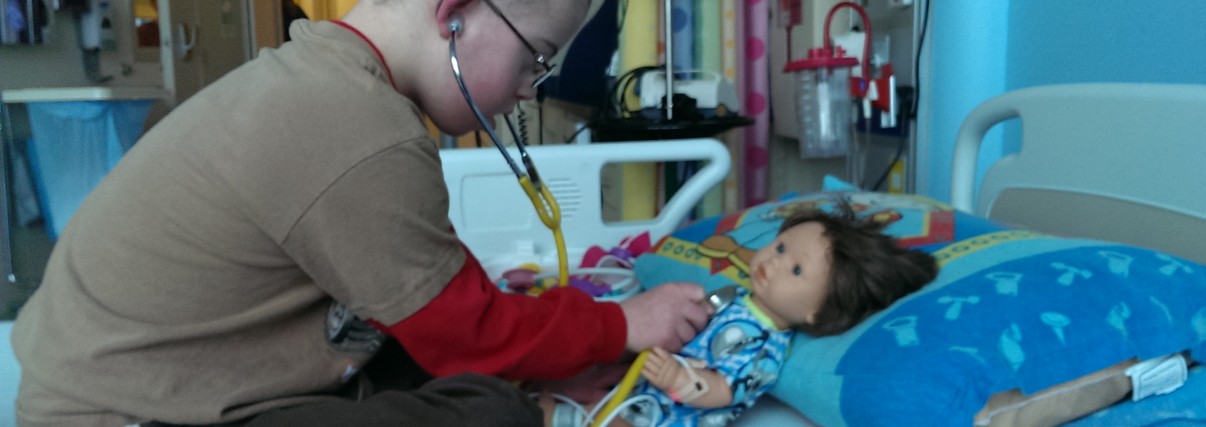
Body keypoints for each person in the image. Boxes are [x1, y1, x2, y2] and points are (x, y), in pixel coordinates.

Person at [9, 0, 712, 426]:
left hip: (167, 378)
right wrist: (621, 320)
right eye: (536, 61)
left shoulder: (326, 82)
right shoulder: (358, 129)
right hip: (131, 411)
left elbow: (417, 287)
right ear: (455, 12)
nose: (530, 89)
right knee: (491, 411)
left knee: (430, 359)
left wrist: (540, 348)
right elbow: (464, 332)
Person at [540, 208, 940, 426]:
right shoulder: (735, 298)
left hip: (673, 417)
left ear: (816, 313)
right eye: (781, 247)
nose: (774, 261)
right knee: (538, 403)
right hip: (634, 396)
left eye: (796, 269)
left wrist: (680, 380)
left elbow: (725, 390)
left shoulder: (767, 348)